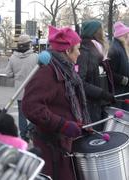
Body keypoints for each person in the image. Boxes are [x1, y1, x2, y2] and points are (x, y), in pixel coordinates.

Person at [22, 25, 90, 180]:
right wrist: (63, 125)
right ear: (67, 50)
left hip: (63, 145)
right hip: (51, 149)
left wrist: (80, 124)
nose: (79, 53)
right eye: (77, 49)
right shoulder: (47, 71)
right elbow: (30, 107)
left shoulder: (65, 69)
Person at [77, 20, 115, 130]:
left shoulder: (100, 50)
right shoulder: (84, 51)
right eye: (101, 30)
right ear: (95, 32)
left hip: (102, 104)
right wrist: (101, 93)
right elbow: (80, 81)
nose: (104, 33)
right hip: (91, 106)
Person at [5, 34, 38, 142]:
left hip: (19, 92)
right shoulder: (35, 57)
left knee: (22, 115)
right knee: (37, 113)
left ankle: (23, 137)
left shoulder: (13, 58)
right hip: (33, 91)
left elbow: (8, 74)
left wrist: (17, 76)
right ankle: (30, 129)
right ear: (29, 44)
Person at [108, 22, 129, 111]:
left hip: (124, 90)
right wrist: (126, 81)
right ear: (124, 35)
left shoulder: (121, 47)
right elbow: (110, 73)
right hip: (119, 91)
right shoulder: (114, 49)